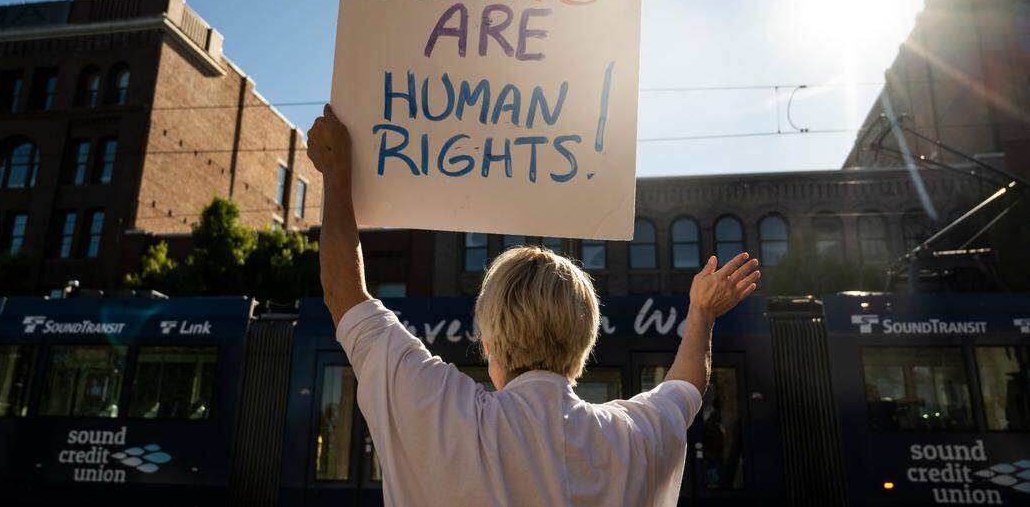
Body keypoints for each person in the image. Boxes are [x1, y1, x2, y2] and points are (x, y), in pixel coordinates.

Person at [307, 105, 761, 507]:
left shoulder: (442, 413)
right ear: (585, 345)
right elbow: (686, 388)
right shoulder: (631, 438)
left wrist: (336, 172)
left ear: (487, 342)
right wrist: (701, 312)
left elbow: (344, 294)